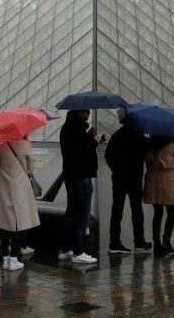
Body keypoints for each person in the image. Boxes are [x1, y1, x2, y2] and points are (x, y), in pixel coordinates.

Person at [58, 109, 102, 265]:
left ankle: (65, 248)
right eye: (86, 112)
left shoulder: (67, 128)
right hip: (80, 176)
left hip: (71, 176)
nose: (88, 114)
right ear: (79, 113)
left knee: (71, 212)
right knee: (81, 214)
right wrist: (94, 141)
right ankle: (79, 251)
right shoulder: (76, 129)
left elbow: (76, 150)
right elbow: (82, 153)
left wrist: (89, 138)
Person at [0, 136, 41, 271]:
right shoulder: (26, 145)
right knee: (19, 223)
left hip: (4, 188)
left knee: (4, 222)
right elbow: (30, 169)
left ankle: (5, 258)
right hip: (20, 188)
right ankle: (14, 258)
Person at [105, 124, 151, 254]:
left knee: (117, 210)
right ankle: (139, 241)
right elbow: (147, 151)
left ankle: (114, 242)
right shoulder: (139, 136)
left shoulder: (117, 135)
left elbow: (108, 155)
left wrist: (116, 168)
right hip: (135, 178)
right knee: (137, 210)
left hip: (119, 178)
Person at [144, 136, 174, 256]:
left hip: (153, 178)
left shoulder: (150, 143)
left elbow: (147, 160)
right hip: (166, 178)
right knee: (172, 210)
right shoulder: (170, 143)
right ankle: (166, 241)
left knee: (158, 212)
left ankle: (157, 244)